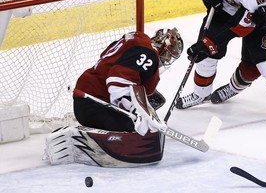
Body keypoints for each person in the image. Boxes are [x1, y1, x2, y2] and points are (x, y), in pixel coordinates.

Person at [44, 28, 184, 167]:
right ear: (163, 47)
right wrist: (134, 110)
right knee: (144, 133)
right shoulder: (149, 54)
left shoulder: (136, 38)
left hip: (87, 98)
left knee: (144, 126)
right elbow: (117, 80)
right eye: (168, 54)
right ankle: (72, 137)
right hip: (94, 104)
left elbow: (108, 59)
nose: (167, 59)